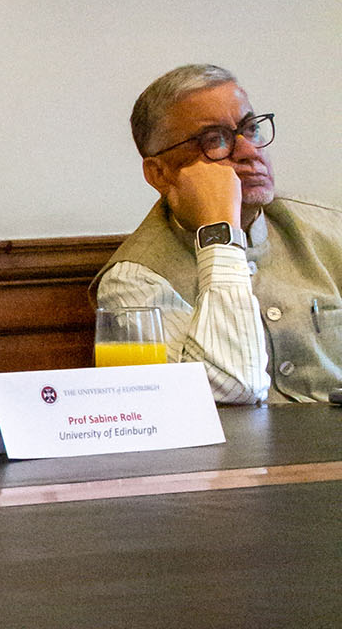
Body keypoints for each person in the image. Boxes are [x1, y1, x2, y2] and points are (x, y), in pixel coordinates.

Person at [94, 63, 342, 403]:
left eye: (251, 129)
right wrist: (219, 235)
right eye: (215, 140)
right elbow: (230, 388)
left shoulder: (332, 229)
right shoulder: (134, 281)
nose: (250, 152)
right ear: (160, 174)